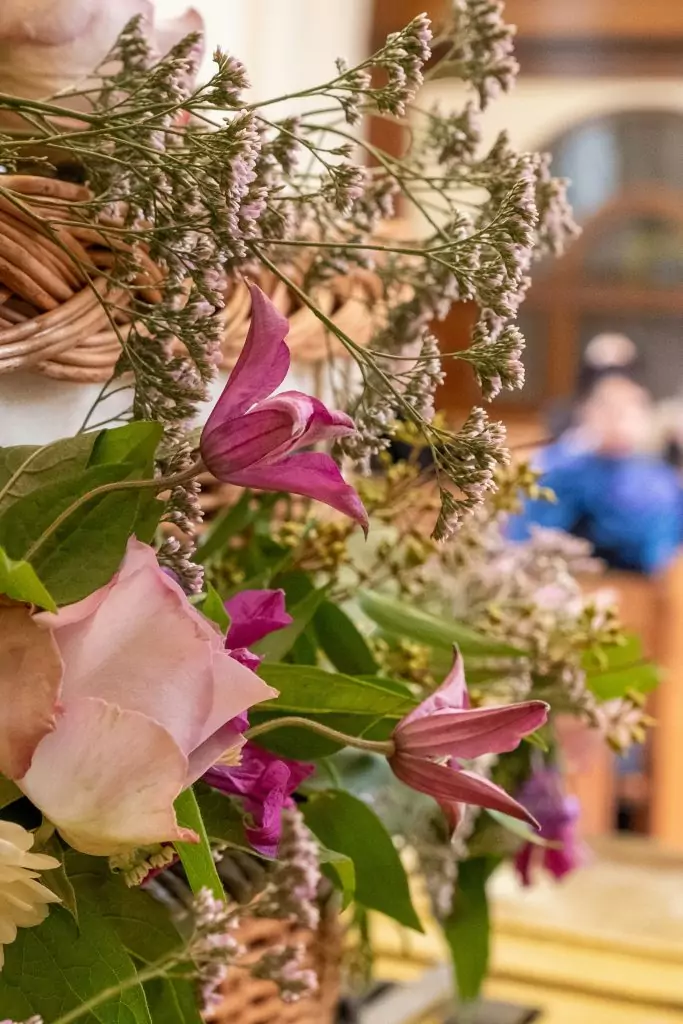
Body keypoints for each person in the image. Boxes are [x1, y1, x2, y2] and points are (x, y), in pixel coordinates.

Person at [509, 334, 682, 574]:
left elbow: (662, 557)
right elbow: (524, 539)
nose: (618, 417)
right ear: (585, 408)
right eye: (608, 405)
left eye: (629, 406)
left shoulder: (659, 480)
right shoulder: (557, 465)